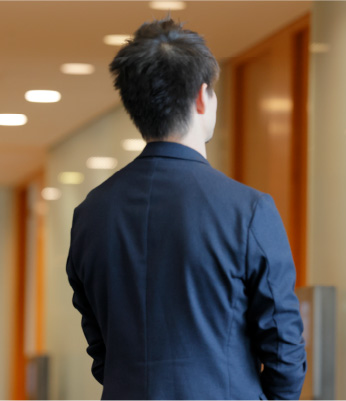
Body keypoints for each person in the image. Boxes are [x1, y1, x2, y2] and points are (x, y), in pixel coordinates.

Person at [66, 18, 306, 400]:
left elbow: (101, 349)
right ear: (201, 96)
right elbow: (284, 348)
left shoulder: (90, 214)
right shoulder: (247, 210)